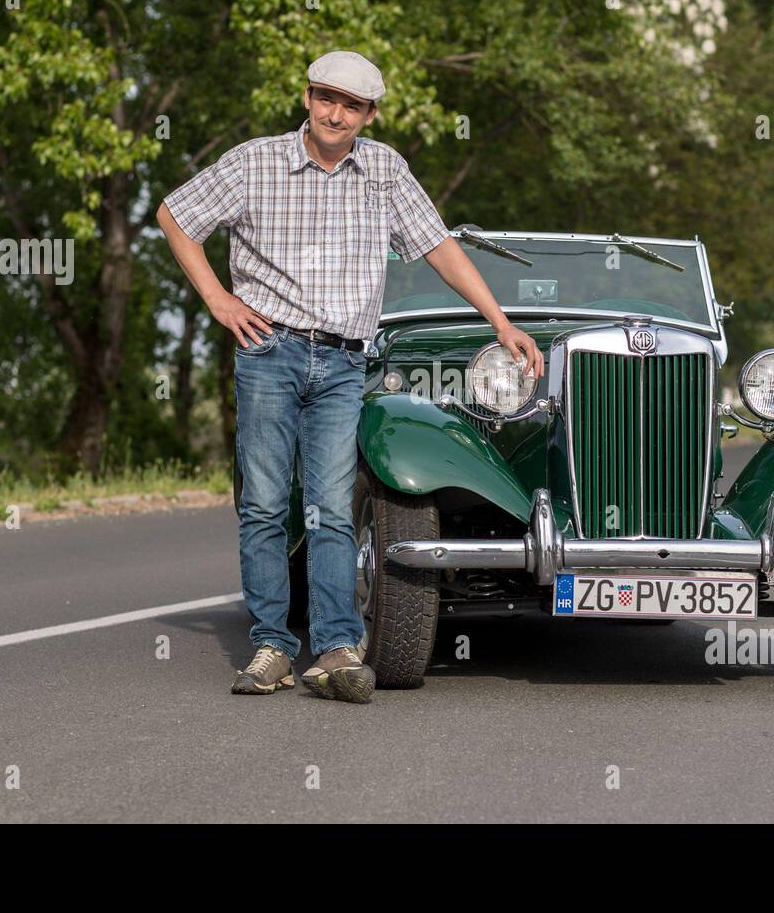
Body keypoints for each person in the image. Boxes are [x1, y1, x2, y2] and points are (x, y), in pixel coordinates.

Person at [157, 50, 543, 703]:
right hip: (269, 352)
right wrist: (219, 300)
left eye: (352, 105)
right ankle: (272, 644)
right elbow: (175, 214)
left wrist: (499, 321)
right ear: (307, 97)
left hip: (343, 362)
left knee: (331, 505)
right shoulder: (254, 162)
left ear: (369, 114)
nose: (335, 114)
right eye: (325, 98)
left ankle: (336, 648)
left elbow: (439, 246)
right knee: (264, 503)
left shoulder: (385, 170)